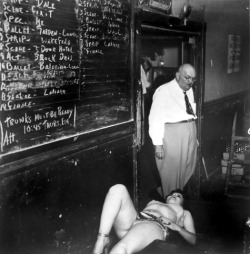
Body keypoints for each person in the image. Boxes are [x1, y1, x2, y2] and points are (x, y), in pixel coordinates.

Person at [92, 184, 196, 254]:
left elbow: (193, 240)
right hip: (135, 220)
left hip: (154, 225)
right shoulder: (156, 202)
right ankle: (102, 238)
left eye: (178, 196)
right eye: (172, 194)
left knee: (120, 249)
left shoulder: (184, 212)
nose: (173, 195)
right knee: (118, 189)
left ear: (183, 202)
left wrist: (177, 227)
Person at [148, 63, 198, 199]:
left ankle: (171, 197)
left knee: (187, 168)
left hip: (189, 131)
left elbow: (190, 113)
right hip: (172, 135)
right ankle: (169, 201)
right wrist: (158, 144)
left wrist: (194, 137)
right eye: (187, 78)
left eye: (193, 79)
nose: (190, 82)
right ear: (177, 75)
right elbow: (155, 118)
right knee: (170, 173)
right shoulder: (164, 91)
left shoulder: (189, 90)